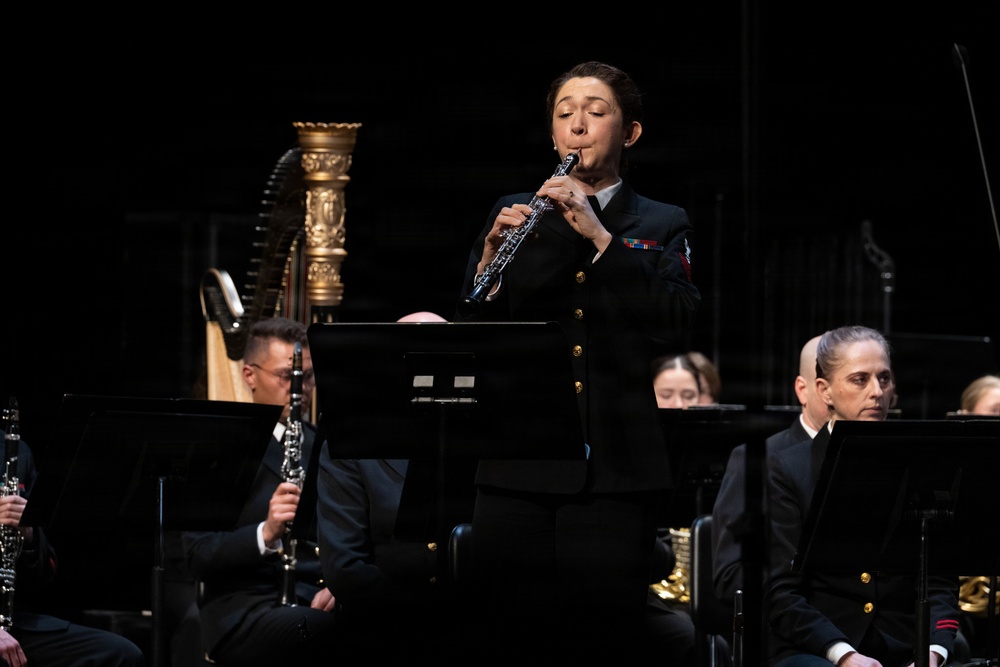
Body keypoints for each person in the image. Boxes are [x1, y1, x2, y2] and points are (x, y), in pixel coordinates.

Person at [455, 60, 700, 655]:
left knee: (602, 638)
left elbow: (677, 321)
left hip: (617, 471)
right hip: (518, 465)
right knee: (505, 634)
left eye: (595, 112)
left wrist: (600, 237)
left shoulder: (662, 222)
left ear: (630, 133)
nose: (578, 126)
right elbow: (472, 331)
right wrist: (490, 262)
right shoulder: (516, 213)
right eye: (565, 115)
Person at [764, 325, 961, 667]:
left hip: (906, 646)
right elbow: (780, 591)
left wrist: (933, 650)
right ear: (824, 390)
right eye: (860, 379)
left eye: (884, 379)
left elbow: (939, 580)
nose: (877, 392)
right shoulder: (785, 469)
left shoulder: (921, 465)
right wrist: (844, 655)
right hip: (816, 649)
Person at [180, 317, 338, 666]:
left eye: (307, 377)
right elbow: (197, 556)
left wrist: (341, 585)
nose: (300, 388)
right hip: (244, 609)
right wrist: (265, 533)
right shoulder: (218, 448)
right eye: (287, 376)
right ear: (249, 375)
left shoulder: (326, 446)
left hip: (315, 597)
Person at [314, 311, 477, 646]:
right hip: (386, 623)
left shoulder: (483, 437)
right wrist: (423, 614)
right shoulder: (351, 444)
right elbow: (344, 568)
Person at [0, 400, 146, 667]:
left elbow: (44, 574)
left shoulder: (17, 452)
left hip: (13, 622)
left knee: (121, 655)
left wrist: (29, 534)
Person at [711, 334, 828, 603]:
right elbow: (730, 577)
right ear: (804, 389)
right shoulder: (756, 460)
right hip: (790, 623)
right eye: (857, 381)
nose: (874, 394)